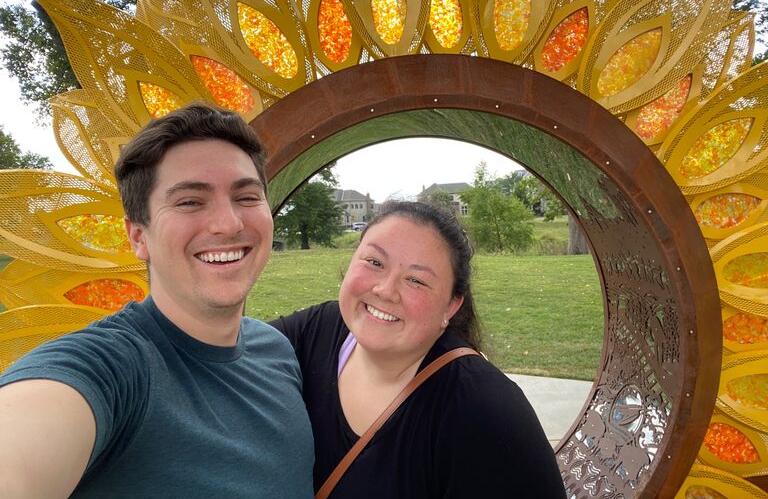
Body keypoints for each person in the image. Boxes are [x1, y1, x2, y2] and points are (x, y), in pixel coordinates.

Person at [0, 103, 314, 498]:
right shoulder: (109, 368)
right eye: (189, 202)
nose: (229, 223)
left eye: (247, 197)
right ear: (138, 237)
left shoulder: (275, 352)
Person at [272, 200, 567, 498]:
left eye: (416, 280)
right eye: (374, 262)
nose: (385, 290)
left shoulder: (486, 413)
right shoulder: (316, 330)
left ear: (451, 306)